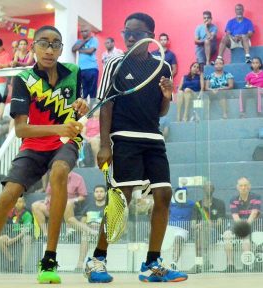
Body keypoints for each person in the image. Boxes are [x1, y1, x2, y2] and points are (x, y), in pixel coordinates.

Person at [0, 25, 88, 283]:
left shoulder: (73, 73)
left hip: (65, 140)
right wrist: (58, 126)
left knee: (60, 170)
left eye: (56, 44)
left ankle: (49, 259)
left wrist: (81, 106)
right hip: (33, 144)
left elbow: (77, 111)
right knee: (8, 194)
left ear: (62, 49)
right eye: (44, 43)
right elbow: (20, 129)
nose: (50, 49)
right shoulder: (23, 79)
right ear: (32, 48)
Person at [84, 13, 187, 283]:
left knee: (164, 195)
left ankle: (152, 265)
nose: (129, 37)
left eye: (136, 33)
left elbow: (162, 110)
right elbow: (106, 104)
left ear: (151, 36)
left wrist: (167, 96)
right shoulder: (114, 63)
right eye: (126, 32)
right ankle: (97, 260)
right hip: (124, 137)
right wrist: (105, 144)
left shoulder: (163, 67)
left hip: (153, 138)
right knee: (121, 199)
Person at [32, 171, 88, 237]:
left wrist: (72, 200)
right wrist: (48, 199)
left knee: (67, 203)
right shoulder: (53, 176)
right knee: (35, 205)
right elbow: (48, 194)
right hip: (53, 205)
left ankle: (69, 232)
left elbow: (83, 196)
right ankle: (45, 234)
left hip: (69, 205)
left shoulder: (78, 178)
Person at [223, 177, 261, 272]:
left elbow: (254, 214)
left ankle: (246, 265)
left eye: (245, 185)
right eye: (241, 185)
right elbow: (235, 216)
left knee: (246, 239)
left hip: (252, 224)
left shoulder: (256, 197)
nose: (243, 187)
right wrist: (241, 228)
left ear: (249, 187)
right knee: (227, 235)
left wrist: (245, 229)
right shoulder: (233, 200)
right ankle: (230, 265)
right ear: (237, 187)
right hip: (238, 224)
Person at [191, 182, 226, 273]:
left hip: (215, 233)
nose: (208, 189)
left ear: (213, 190)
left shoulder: (220, 203)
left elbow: (219, 223)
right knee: (200, 231)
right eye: (206, 187)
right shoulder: (198, 204)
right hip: (200, 232)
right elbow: (192, 224)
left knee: (202, 231)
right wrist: (199, 225)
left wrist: (207, 224)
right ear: (203, 189)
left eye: (210, 187)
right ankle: (204, 262)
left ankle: (200, 263)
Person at [74, 185, 106, 271]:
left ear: (105, 193)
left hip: (103, 232)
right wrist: (89, 228)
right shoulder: (88, 207)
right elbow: (82, 223)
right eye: (97, 192)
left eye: (101, 191)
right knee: (85, 233)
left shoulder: (108, 208)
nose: (99, 194)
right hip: (89, 232)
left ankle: (98, 264)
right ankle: (80, 262)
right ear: (94, 194)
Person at [0, 197, 33, 273]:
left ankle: (22, 266)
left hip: (23, 234)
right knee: (0, 239)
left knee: (27, 239)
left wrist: (13, 240)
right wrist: (5, 235)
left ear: (24, 204)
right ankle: (12, 261)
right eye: (16, 202)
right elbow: (4, 226)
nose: (18, 203)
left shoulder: (27, 214)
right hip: (12, 233)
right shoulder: (10, 213)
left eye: (20, 202)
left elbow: (26, 230)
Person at [168, 186, 194, 271]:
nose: (180, 196)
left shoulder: (192, 205)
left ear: (186, 195)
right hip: (169, 230)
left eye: (183, 194)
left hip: (182, 231)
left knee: (178, 238)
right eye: (179, 194)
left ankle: (174, 263)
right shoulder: (170, 205)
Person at [72, 25, 99, 102]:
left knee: (92, 92)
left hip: (92, 68)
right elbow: (73, 49)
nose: (83, 33)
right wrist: (84, 41)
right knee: (83, 92)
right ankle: (84, 111)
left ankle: (91, 111)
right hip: (81, 69)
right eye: (82, 31)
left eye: (86, 31)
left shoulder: (94, 40)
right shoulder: (79, 41)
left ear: (90, 32)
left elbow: (90, 51)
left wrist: (79, 49)